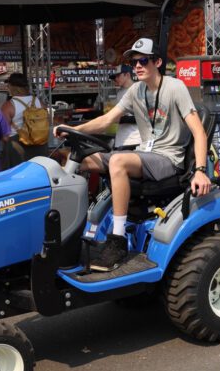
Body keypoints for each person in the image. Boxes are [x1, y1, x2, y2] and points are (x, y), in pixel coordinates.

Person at [53, 38, 211, 272]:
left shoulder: (175, 87)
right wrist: (74, 130)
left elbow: (199, 132)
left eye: (143, 61)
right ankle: (74, 228)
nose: (137, 66)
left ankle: (117, 240)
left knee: (118, 160)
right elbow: (106, 121)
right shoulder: (135, 91)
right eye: (134, 62)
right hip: (144, 155)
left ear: (157, 62)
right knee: (75, 158)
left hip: (168, 159)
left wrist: (200, 171)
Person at [0, 73, 47, 168]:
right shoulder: (39, 102)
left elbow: (5, 136)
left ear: (13, 87)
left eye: (8, 85)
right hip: (39, 146)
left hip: (17, 148)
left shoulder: (8, 105)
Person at [109, 64, 141, 149]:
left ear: (127, 75)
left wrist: (121, 118)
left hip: (135, 140)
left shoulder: (138, 90)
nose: (116, 79)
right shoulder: (119, 92)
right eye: (114, 77)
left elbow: (144, 116)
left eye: (118, 76)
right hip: (120, 139)